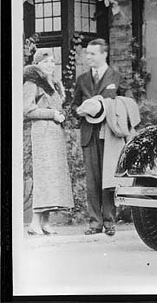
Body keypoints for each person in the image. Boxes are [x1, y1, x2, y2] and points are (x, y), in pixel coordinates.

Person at [72, 38, 123, 236]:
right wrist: (81, 111)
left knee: (108, 178)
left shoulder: (116, 77)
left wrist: (109, 107)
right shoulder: (82, 79)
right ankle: (95, 223)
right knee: (92, 180)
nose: (88, 57)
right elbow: (74, 105)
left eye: (92, 54)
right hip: (88, 134)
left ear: (104, 54)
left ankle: (110, 222)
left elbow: (127, 103)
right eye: (87, 54)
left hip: (109, 134)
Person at [23, 50, 73, 235]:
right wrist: (52, 114)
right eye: (47, 62)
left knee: (53, 177)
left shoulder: (54, 84)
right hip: (42, 134)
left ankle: (45, 221)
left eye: (53, 61)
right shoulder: (32, 82)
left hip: (54, 135)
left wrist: (60, 114)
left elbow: (58, 107)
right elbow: (27, 110)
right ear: (37, 64)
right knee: (44, 176)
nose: (51, 65)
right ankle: (34, 223)